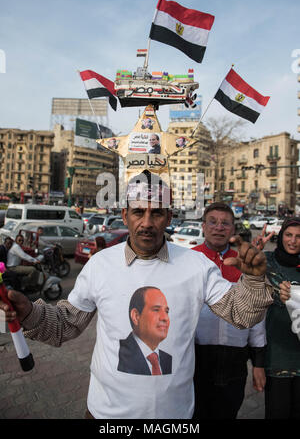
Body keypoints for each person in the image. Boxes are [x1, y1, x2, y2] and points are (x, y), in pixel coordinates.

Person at [1, 171, 273, 420]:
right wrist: (29, 313)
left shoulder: (198, 266)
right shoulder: (100, 264)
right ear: (124, 215)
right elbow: (65, 323)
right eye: (138, 212)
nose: (146, 223)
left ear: (169, 217)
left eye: (156, 214)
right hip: (105, 415)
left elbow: (241, 314)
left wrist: (254, 279)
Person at [192, 202, 266, 419]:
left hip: (235, 361)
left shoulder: (246, 262)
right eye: (213, 222)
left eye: (225, 223)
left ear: (233, 230)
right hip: (195, 359)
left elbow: (257, 316)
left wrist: (258, 364)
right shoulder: (188, 261)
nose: (219, 227)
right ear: (204, 226)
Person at [257, 217, 300, 419]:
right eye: (289, 235)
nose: (293, 241)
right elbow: (247, 292)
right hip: (277, 359)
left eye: (299, 236)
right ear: (281, 236)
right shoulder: (266, 262)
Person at [117, 286, 172, 375]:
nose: (165, 317)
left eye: (166, 311)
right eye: (156, 310)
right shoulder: (117, 354)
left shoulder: (168, 360)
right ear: (136, 316)